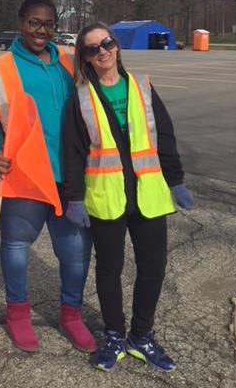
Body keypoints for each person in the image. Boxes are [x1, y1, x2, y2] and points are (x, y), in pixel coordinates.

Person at [63, 22, 194, 372]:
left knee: (152, 268)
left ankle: (141, 335)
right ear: (85, 58)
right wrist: (74, 198)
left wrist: (176, 179)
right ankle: (115, 336)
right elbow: (72, 152)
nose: (101, 51)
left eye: (106, 43)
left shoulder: (141, 86)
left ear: (116, 46)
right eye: (92, 48)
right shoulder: (81, 97)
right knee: (109, 270)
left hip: (148, 194)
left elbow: (163, 134)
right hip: (107, 196)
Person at [0, 0, 95, 353]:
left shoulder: (71, 64)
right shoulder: (1, 69)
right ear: (21, 21)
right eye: (33, 23)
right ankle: (17, 313)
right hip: (24, 177)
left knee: (75, 254)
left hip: (69, 179)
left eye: (48, 24)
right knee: (16, 248)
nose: (41, 31)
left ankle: (72, 315)